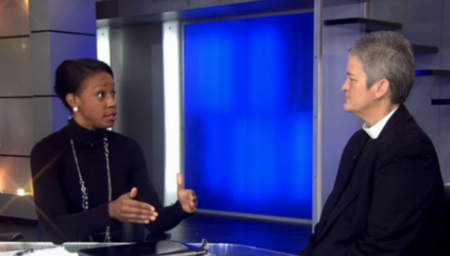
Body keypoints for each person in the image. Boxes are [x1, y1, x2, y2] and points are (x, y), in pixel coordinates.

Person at [300, 31, 445, 256]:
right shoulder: (359, 141)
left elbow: (382, 250)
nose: (344, 86)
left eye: (352, 79)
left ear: (380, 88)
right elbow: (327, 230)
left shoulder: (409, 152)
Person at [30, 58, 198, 244]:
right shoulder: (46, 151)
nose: (112, 102)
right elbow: (55, 229)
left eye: (113, 93)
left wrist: (181, 208)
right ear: (73, 100)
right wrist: (110, 211)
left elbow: (153, 220)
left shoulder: (127, 148)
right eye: (101, 94)